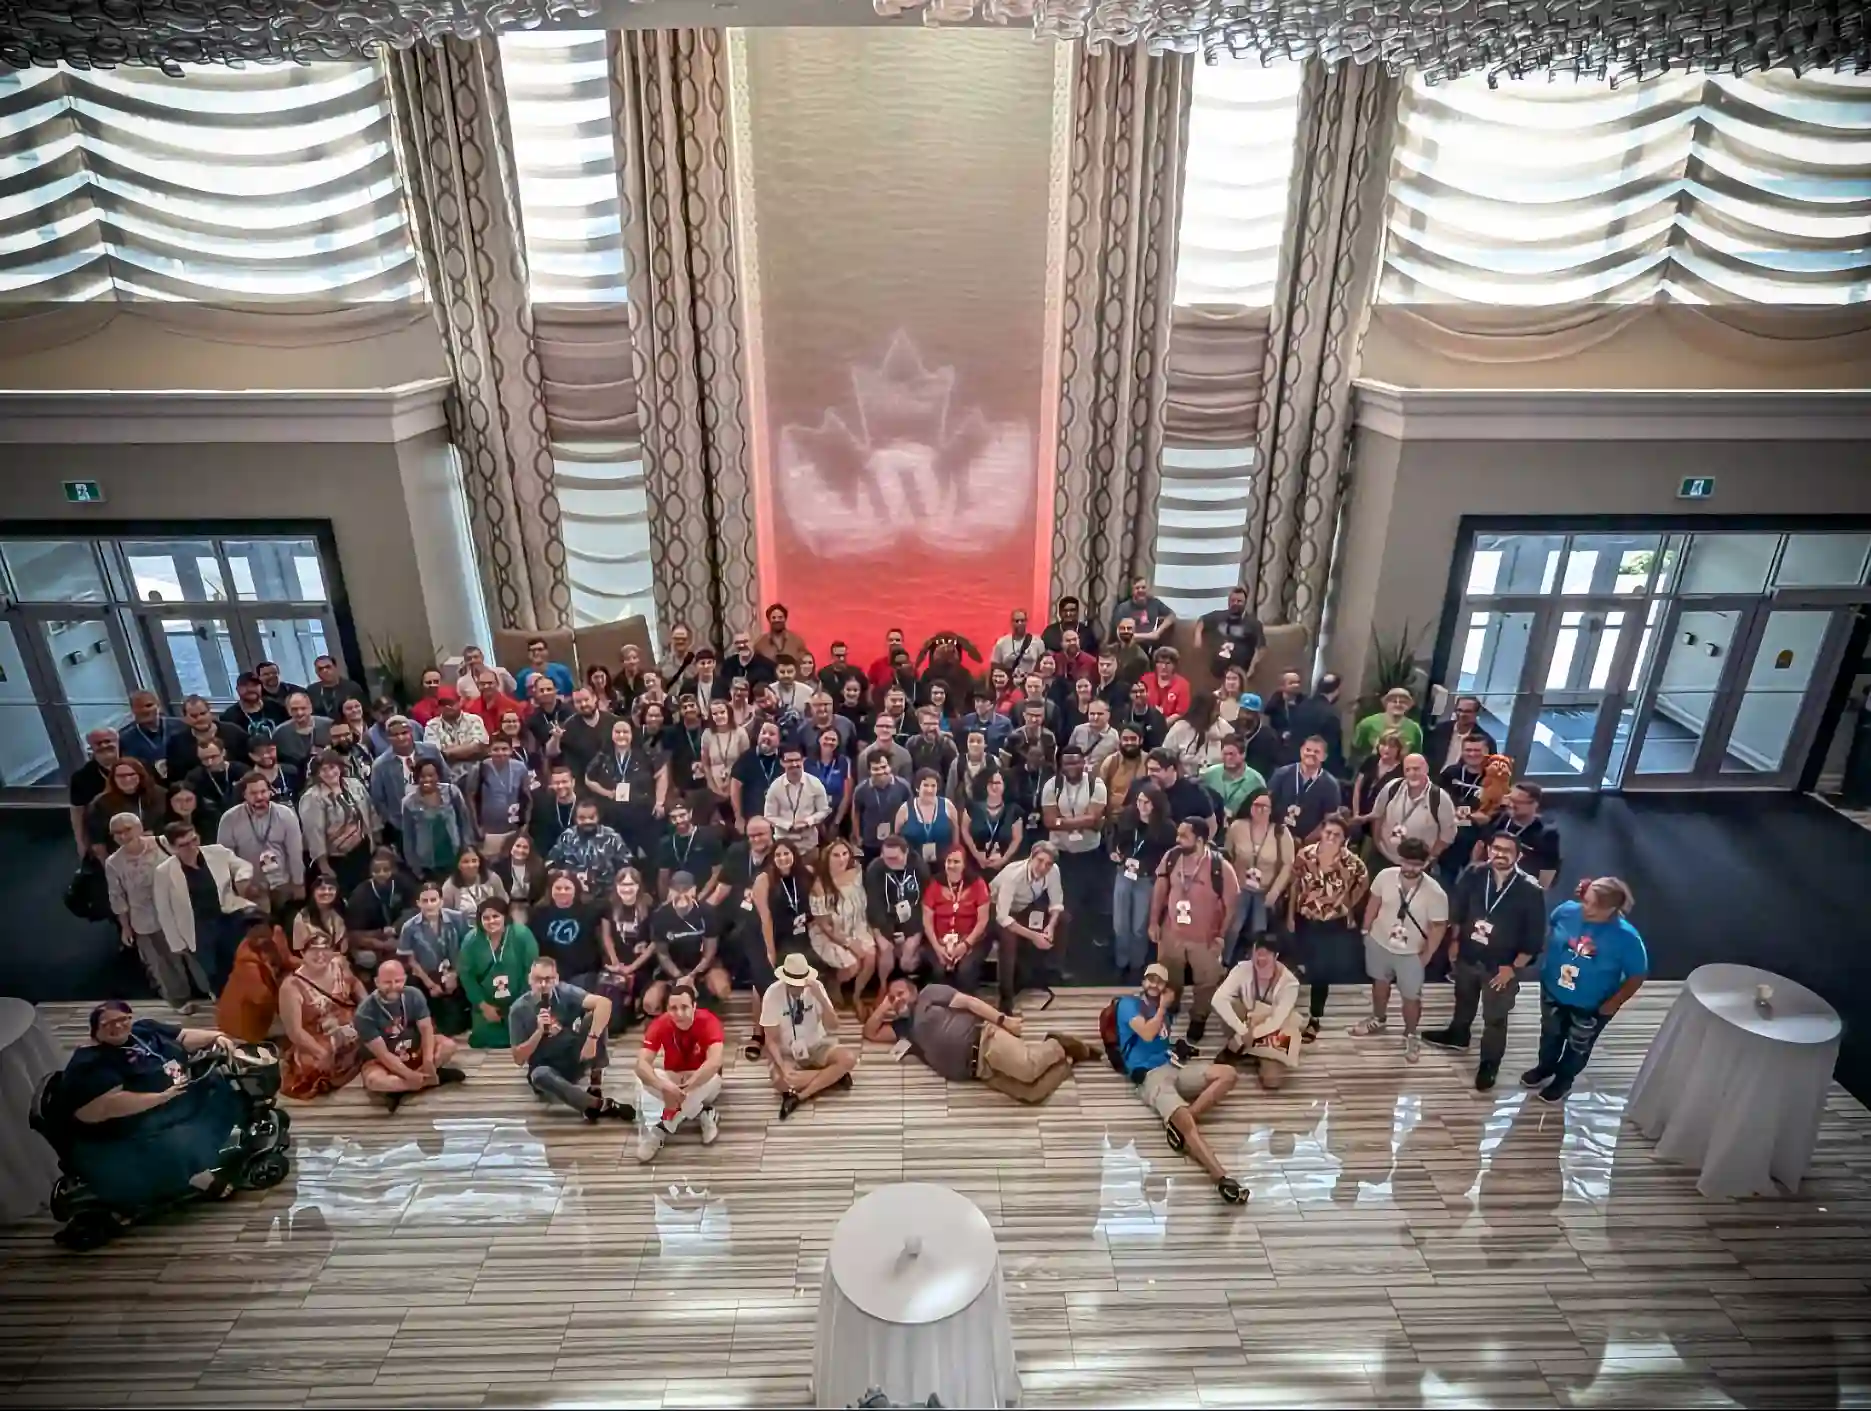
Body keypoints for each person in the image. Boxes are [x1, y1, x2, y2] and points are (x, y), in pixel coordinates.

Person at [57, 1002, 247, 1211]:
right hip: (133, 1122)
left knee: (220, 1085)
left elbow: (182, 1037)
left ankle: (227, 1139)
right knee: (180, 1137)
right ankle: (197, 1176)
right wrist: (161, 1097)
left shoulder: (143, 1030)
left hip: (178, 1090)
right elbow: (103, 1108)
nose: (118, 1026)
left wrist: (215, 1037)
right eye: (108, 1023)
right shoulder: (92, 1063)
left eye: (123, 1019)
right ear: (95, 1029)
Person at [1421, 832, 1547, 1090]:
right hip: (1468, 954)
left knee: (1495, 1018)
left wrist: (1513, 968)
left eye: (1507, 850)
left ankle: (1489, 1064)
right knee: (1463, 998)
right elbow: (1458, 910)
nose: (1499, 854)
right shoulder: (1474, 874)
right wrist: (1454, 942)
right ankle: (1458, 1034)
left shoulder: (1530, 889)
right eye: (1495, 848)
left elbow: (1535, 938)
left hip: (1501, 967)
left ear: (1518, 855)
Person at [1114, 965, 1248, 1205]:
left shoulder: (1166, 1011)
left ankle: (1181, 1125)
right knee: (1184, 1119)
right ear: (1143, 981)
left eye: (1160, 981)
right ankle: (1222, 1178)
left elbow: (1162, 1041)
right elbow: (1146, 1034)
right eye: (1150, 979)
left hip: (1173, 1067)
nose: (1154, 984)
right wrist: (1163, 1007)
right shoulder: (1128, 1005)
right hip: (1150, 1076)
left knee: (1228, 1074)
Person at [865, 976, 1092, 1102]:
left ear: (913, 991)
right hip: (977, 1072)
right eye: (891, 997)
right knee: (1031, 1094)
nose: (896, 999)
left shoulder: (930, 994)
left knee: (1029, 1069)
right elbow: (870, 1033)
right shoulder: (904, 1029)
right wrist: (885, 1006)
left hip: (984, 1041)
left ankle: (1055, 1045)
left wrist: (1004, 1020)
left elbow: (970, 1003)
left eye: (900, 993)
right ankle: (1067, 1057)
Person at [1523, 877, 1647, 1103]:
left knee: (1577, 1045)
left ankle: (1563, 1080)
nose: (1586, 908)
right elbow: (1551, 931)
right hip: (1553, 991)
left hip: (1590, 1005)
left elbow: (1637, 975)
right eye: (1586, 901)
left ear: (1612, 908)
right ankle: (1545, 1067)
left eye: (1594, 905)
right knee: (1550, 1035)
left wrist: (1614, 1002)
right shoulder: (1566, 912)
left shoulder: (1627, 937)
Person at [1350, 836, 1449, 1062]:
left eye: (1416, 864)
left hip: (1411, 952)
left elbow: (1438, 927)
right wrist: (1366, 931)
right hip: (1379, 940)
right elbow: (1373, 903)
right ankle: (1378, 1017)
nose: (1410, 868)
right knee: (1379, 983)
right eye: (1406, 862)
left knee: (1411, 997)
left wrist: (1426, 955)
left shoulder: (1435, 892)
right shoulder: (1385, 877)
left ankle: (1411, 1034)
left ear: (1426, 864)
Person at [107, 814, 212, 1013]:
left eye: (127, 829)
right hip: (147, 919)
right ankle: (180, 1000)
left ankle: (213, 991)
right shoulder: (114, 862)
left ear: (138, 827)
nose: (123, 835)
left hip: (180, 912)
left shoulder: (162, 843)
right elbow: (117, 896)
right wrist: (125, 926)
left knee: (197, 955)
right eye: (117, 833)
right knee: (164, 963)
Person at [509, 957, 633, 1122]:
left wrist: (591, 1039)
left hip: (574, 1054)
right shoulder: (518, 1010)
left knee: (595, 1016)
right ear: (530, 980)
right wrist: (539, 1031)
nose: (544, 985)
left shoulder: (565, 992)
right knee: (539, 1075)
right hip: (547, 1066)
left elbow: (604, 1004)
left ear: (557, 979)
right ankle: (599, 1105)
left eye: (549, 979)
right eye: (538, 980)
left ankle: (595, 1085)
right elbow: (518, 1058)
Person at [1149, 818, 1239, 1043]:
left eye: (1183, 836)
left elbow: (1232, 905)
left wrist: (1220, 935)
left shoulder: (1220, 867)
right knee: (1169, 975)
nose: (1177, 840)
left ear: (1199, 840)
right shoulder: (1172, 857)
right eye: (1178, 835)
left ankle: (1198, 1018)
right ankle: (1170, 1006)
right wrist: (1153, 921)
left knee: (1206, 982)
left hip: (1204, 938)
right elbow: (1160, 889)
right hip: (1172, 933)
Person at [1284, 812, 1368, 1043]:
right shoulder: (1305, 855)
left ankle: (1315, 1017)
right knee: (1301, 963)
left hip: (1332, 923)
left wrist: (1347, 905)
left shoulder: (1353, 864)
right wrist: (1290, 915)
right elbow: (1294, 885)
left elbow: (1362, 886)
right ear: (1321, 831)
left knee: (1322, 972)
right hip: (1304, 918)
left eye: (1337, 835)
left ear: (1344, 839)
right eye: (1328, 832)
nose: (1331, 837)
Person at [354, 958, 467, 1110]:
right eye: (387, 982)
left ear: (405, 979)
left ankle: (405, 1087)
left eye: (398, 981)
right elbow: (383, 1055)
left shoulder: (414, 994)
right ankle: (429, 1080)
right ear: (377, 982)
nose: (393, 986)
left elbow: (427, 1030)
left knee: (449, 1046)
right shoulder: (364, 1013)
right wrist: (407, 1074)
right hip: (385, 1061)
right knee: (375, 1081)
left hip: (415, 1050)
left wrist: (427, 1060)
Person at [757, 953, 857, 1119]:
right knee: (779, 1081)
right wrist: (782, 1066)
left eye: (801, 984)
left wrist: (822, 1000)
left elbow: (834, 1026)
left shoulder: (816, 987)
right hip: (787, 1052)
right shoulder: (772, 994)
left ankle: (800, 1096)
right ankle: (833, 1077)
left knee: (849, 1058)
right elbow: (771, 1039)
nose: (798, 989)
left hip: (816, 1044)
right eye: (793, 985)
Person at [633, 980, 724, 1161]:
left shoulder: (708, 1021)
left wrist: (688, 1087)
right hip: (673, 1080)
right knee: (644, 1078)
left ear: (694, 1006)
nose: (679, 1013)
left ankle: (661, 1129)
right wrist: (665, 1086)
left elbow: (715, 1061)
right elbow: (641, 1064)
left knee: (712, 1077)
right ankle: (702, 1112)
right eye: (673, 1008)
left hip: (702, 1080)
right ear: (667, 1009)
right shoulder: (661, 1024)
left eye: (684, 1007)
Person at [276, 927, 366, 1099]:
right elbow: (295, 1032)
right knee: (313, 1067)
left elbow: (355, 984)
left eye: (325, 950)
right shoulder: (292, 986)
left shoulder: (339, 964)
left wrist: (367, 1006)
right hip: (318, 1034)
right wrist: (320, 1052)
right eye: (313, 951)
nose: (320, 955)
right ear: (302, 953)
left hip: (349, 1021)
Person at [1212, 934, 1304, 1088]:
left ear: (1276, 956)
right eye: (1258, 952)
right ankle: (1246, 1048)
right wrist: (1242, 1031)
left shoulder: (1290, 983)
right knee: (1232, 1004)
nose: (1261, 957)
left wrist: (1249, 1036)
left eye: (1267, 953)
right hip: (1247, 1020)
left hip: (1273, 1029)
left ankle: (1246, 1049)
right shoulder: (1242, 968)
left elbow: (1277, 1021)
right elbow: (1218, 999)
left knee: (1272, 1081)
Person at [1108, 783, 1174, 983]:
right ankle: (1121, 963)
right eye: (1139, 801)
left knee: (1139, 926)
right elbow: (1114, 838)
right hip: (1124, 873)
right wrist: (1114, 852)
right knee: (1120, 924)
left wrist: (1147, 866)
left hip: (1147, 878)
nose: (1141, 806)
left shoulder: (1166, 828)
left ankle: (1136, 965)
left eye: (1146, 802)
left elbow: (1168, 856)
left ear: (1156, 805)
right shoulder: (1128, 818)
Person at [809, 836, 884, 1012]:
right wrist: (849, 943)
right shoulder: (820, 885)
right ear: (827, 858)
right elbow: (824, 926)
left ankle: (857, 996)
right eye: (836, 855)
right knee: (853, 965)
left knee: (871, 958)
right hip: (831, 932)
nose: (842, 859)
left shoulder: (857, 872)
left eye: (845, 854)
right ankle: (833, 982)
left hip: (857, 925)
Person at [988, 842, 1065, 1012]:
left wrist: (1050, 927)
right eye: (1040, 861)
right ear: (1031, 858)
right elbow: (1003, 917)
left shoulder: (1053, 871)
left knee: (1062, 920)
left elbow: (1057, 903)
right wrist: (1034, 936)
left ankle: (1046, 972)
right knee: (1009, 940)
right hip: (995, 910)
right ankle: (1006, 997)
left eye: (1048, 864)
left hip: (1023, 907)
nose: (1044, 867)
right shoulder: (1013, 875)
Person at [1223, 790, 1294, 963]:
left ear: (1271, 809)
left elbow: (1287, 864)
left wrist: (1275, 891)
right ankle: (1224, 962)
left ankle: (1255, 963)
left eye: (1265, 806)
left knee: (1259, 929)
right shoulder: (1237, 827)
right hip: (1240, 888)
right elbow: (1227, 856)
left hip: (1265, 890)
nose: (1260, 810)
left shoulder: (1280, 832)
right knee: (1233, 926)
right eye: (1256, 805)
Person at [216, 770, 304, 909]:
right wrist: (239, 887)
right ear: (244, 795)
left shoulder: (286, 814)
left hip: (282, 884)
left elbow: (295, 853)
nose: (259, 797)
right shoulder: (229, 819)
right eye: (253, 793)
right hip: (250, 888)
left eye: (263, 791)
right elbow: (224, 858)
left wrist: (298, 884)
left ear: (270, 791)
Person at [458, 898, 539, 1048]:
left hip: (519, 999)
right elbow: (466, 975)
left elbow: (532, 969)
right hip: (487, 1002)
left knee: (522, 1036)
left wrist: (519, 1004)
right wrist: (483, 1005)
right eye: (486, 918)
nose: (491, 921)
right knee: (483, 1039)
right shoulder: (471, 940)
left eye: (496, 916)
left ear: (505, 917)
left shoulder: (522, 935)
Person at [647, 870, 733, 1010]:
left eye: (686, 890)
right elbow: (662, 954)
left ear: (694, 890)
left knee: (722, 988)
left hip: (701, 967)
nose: (681, 894)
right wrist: (679, 977)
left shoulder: (707, 912)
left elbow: (709, 952)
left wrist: (692, 976)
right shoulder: (660, 915)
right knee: (650, 1003)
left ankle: (711, 1004)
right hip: (673, 969)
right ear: (670, 890)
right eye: (677, 890)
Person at [299, 749, 379, 897]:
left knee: (365, 892)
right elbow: (314, 833)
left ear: (340, 767)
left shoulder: (354, 784)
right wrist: (323, 864)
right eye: (323, 770)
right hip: (336, 858)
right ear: (317, 773)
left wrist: (376, 840)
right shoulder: (312, 798)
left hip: (362, 849)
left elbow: (370, 811)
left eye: (332, 768)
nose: (329, 773)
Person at [396, 880, 472, 1035]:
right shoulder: (409, 927)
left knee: (454, 1027)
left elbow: (467, 949)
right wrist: (430, 984)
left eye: (433, 900)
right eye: (425, 901)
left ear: (441, 901)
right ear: (418, 903)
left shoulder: (458, 919)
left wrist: (455, 975)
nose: (430, 905)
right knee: (411, 985)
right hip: (425, 976)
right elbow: (411, 961)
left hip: (454, 971)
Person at [213, 917, 299, 1045]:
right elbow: (262, 997)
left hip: (245, 1015)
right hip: (240, 1027)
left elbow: (284, 960)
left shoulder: (254, 947)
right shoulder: (249, 969)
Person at [1368, 753, 1457, 873]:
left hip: (1417, 865)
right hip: (1383, 858)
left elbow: (1447, 836)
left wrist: (1428, 860)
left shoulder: (1440, 798)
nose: (1412, 774)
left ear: (1426, 769)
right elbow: (1377, 816)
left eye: (1416, 769)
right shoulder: (1391, 787)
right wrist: (1378, 843)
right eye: (1407, 770)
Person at [921, 846, 992, 989]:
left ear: (964, 864)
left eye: (956, 862)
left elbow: (982, 920)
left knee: (965, 970)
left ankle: (966, 1006)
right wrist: (938, 948)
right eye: (949, 861)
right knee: (939, 970)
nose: (951, 866)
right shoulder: (934, 883)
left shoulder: (977, 883)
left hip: (971, 939)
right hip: (939, 940)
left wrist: (965, 945)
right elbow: (927, 920)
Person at [398, 756, 477, 879]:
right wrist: (415, 867)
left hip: (454, 856)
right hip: (427, 863)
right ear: (417, 778)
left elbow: (464, 822)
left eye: (431, 775)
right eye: (422, 776)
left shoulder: (452, 792)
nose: (427, 779)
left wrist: (467, 848)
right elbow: (408, 837)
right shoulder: (409, 802)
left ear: (438, 776)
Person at [864, 835, 930, 980]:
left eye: (895, 858)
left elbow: (924, 902)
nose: (889, 862)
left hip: (913, 916)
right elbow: (875, 904)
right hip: (885, 916)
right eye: (886, 857)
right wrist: (884, 934)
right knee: (886, 949)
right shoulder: (875, 869)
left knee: (907, 958)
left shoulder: (919, 867)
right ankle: (882, 986)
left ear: (905, 853)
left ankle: (912, 982)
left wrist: (913, 932)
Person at [601, 867, 658, 1025]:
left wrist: (631, 968)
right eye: (623, 884)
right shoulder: (609, 907)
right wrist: (615, 963)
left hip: (640, 965)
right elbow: (606, 936)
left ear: (638, 886)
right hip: (616, 964)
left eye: (631, 884)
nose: (626, 889)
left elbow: (654, 943)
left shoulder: (649, 908)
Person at [1437, 733, 1492, 887]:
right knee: (1445, 885)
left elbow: (1492, 814)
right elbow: (1437, 800)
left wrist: (1470, 815)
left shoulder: (1495, 778)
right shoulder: (1450, 773)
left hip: (1478, 843)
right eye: (1468, 750)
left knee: (1473, 887)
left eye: (1477, 750)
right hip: (1450, 841)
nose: (1472, 754)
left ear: (1487, 751)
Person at [85, 758, 169, 858]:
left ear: (140, 775)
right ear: (113, 778)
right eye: (121, 776)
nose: (127, 779)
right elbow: (98, 843)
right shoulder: (101, 803)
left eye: (131, 774)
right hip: (122, 858)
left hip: (161, 853)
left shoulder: (161, 795)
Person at [1483, 782, 1562, 886]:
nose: (1511, 805)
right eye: (1510, 799)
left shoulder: (1546, 833)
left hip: (1521, 887)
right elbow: (1481, 846)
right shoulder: (1498, 819)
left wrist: (1539, 893)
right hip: (1489, 881)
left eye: (1518, 802)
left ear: (1535, 804)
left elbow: (1548, 868)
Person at [1267, 736, 1342, 842]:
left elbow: (1329, 820)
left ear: (1324, 756)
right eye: (1308, 750)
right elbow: (1267, 802)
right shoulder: (1282, 774)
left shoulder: (1330, 785)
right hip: (1276, 838)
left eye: (1316, 752)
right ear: (1301, 751)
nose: (1311, 754)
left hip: (1309, 843)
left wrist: (1306, 842)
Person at [764, 742, 832, 854]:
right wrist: (788, 825)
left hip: (809, 844)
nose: (794, 764)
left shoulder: (815, 783)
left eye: (797, 760)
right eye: (789, 761)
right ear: (782, 762)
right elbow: (769, 815)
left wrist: (808, 822)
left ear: (803, 760)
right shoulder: (775, 787)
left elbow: (824, 810)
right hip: (783, 845)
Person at [163, 695, 250, 781]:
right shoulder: (176, 743)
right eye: (194, 716)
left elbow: (250, 762)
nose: (200, 718)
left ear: (210, 713)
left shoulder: (233, 732)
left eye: (203, 713)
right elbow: (175, 777)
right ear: (185, 718)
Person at [851, 750, 912, 864]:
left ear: (890, 767)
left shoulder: (903, 786)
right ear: (869, 771)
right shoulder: (861, 789)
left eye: (884, 767)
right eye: (875, 768)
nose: (880, 772)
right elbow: (856, 813)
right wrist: (858, 836)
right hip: (870, 842)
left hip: (897, 840)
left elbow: (910, 811)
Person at [963, 768, 1023, 880]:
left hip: (1005, 867)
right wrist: (976, 855)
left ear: (1005, 785)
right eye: (990, 782)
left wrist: (1004, 859)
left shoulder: (1014, 810)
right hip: (974, 865)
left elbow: (1017, 838)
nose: (994, 786)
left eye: (998, 783)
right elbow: (965, 831)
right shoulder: (972, 807)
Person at [895, 766, 958, 870]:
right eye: (926, 785)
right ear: (917, 787)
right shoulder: (904, 809)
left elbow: (956, 836)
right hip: (914, 866)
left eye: (933, 786)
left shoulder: (948, 806)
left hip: (944, 865)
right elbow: (897, 838)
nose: (930, 790)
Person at [1351, 729, 1406, 843]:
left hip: (1380, 822)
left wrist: (1366, 818)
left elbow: (1393, 803)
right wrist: (1356, 813)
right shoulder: (1371, 760)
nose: (1386, 749)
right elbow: (1357, 787)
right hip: (1358, 815)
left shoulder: (1401, 771)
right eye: (1383, 744)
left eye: (1392, 746)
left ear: (1398, 749)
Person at [1198, 585, 1263, 682]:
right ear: (1228, 602)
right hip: (1217, 670)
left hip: (1238, 672)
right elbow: (1202, 621)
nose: (1235, 603)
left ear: (1245, 603)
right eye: (1233, 601)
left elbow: (1261, 648)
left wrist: (1252, 668)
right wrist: (1197, 637)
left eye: (1239, 601)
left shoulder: (1253, 623)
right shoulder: (1219, 616)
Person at [183, 736, 242, 838]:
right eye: (204, 759)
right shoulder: (194, 778)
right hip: (210, 828)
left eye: (213, 757)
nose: (209, 762)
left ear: (223, 753)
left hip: (242, 822)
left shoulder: (241, 771)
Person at [1425, 694, 1499, 773]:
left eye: (1468, 711)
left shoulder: (1486, 741)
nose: (1462, 714)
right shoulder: (1439, 730)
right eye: (1459, 710)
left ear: (1477, 713)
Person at [1351, 686, 1423, 766]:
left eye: (1403, 702)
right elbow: (1357, 751)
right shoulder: (1367, 723)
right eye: (1394, 701)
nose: (1398, 704)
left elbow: (1415, 757)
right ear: (1386, 704)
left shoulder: (1415, 729)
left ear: (1409, 706)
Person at [1200, 736, 1265, 822]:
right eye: (1225, 754)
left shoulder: (1256, 781)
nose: (1228, 758)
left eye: (1231, 754)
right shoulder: (1208, 774)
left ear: (1243, 754)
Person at [442, 845, 508, 916]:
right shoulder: (449, 886)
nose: (471, 865)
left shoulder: (492, 878)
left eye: (474, 861)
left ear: (479, 862)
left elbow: (504, 902)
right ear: (458, 865)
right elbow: (446, 914)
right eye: (465, 862)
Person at [222, 671, 289, 740]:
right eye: (245, 685)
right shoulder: (229, 717)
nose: (250, 689)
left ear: (261, 687)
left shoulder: (278, 708)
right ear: (237, 689)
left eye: (254, 685)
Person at [992, 609, 1046, 683]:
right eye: (1016, 621)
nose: (1020, 623)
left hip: (1030, 684)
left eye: (1022, 620)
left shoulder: (1038, 642)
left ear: (1026, 622)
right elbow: (995, 665)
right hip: (1009, 683)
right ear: (1012, 622)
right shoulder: (1002, 642)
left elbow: (1043, 666)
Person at [1141, 647, 1192, 721]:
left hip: (1171, 726)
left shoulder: (1183, 684)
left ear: (1174, 665)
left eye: (1168, 663)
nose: (1163, 667)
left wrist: (1162, 726)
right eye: (1160, 663)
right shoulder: (1145, 679)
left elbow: (1180, 713)